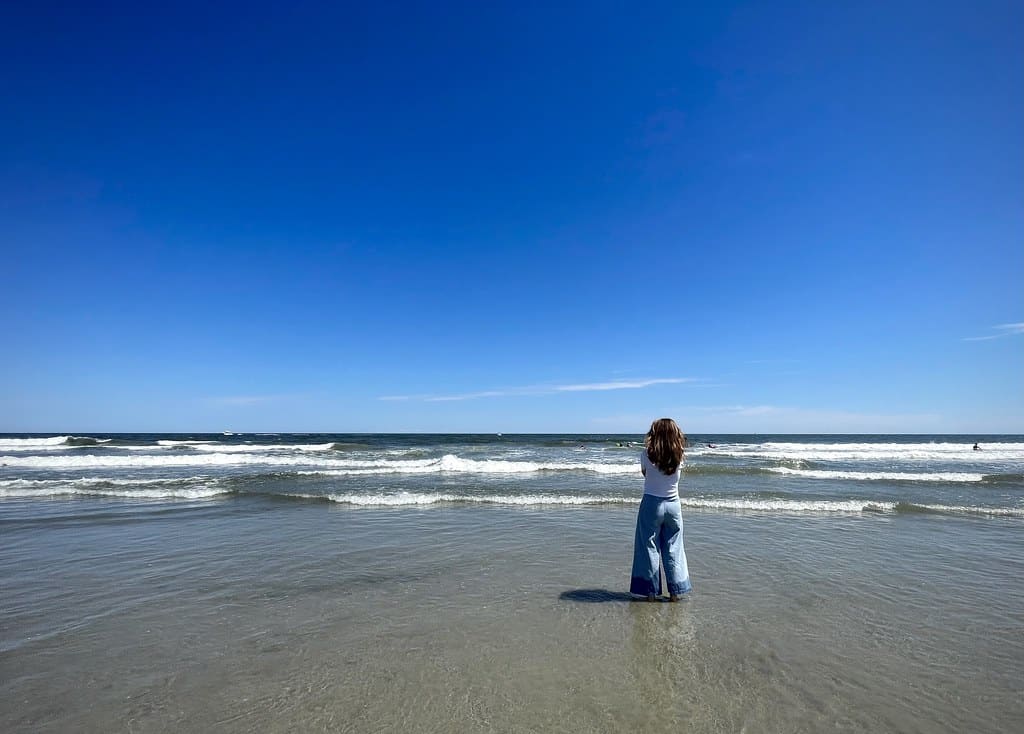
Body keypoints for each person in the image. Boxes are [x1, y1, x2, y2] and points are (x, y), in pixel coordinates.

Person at [630, 418, 693, 602]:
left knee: (648, 546)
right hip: (673, 505)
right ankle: (675, 592)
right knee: (674, 547)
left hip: (651, 504)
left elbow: (645, 474)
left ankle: (650, 592)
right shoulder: (679, 454)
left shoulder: (646, 454)